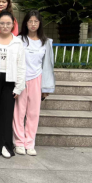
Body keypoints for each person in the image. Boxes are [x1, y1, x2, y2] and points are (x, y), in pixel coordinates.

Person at [14, 10, 56, 157]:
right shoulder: (19, 40)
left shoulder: (45, 42)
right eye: (30, 21)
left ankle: (30, 143)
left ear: (40, 24)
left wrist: (46, 87)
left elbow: (48, 65)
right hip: (21, 79)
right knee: (19, 112)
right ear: (26, 23)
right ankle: (19, 142)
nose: (33, 24)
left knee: (33, 113)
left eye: (36, 21)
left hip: (37, 79)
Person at [0, 11, 26, 159]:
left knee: (6, 113)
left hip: (10, 81)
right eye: (2, 23)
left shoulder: (18, 43)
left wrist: (19, 87)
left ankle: (5, 144)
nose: (5, 26)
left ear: (13, 24)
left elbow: (21, 66)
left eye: (8, 23)